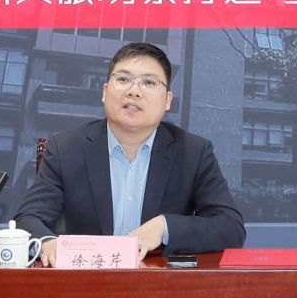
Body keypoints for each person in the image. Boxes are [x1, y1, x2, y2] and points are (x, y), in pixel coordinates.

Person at [13, 41, 246, 265]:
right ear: (105, 92)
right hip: (85, 283)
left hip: (159, 285)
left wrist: (164, 227)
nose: (134, 91)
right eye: (123, 79)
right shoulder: (66, 149)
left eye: (149, 82)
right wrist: (47, 243)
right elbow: (27, 219)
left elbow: (230, 228)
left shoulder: (193, 152)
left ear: (167, 101)